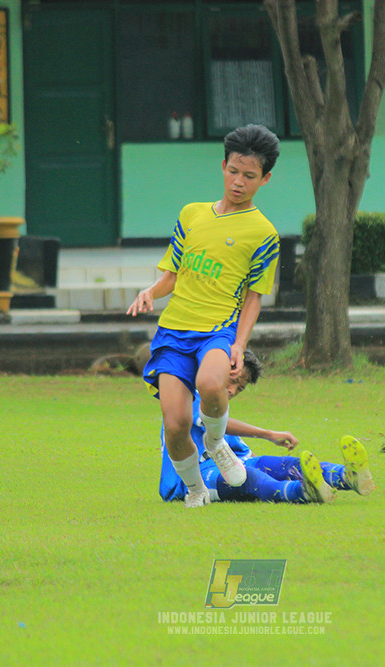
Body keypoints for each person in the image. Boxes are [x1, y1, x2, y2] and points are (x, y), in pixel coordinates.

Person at [127, 124, 281, 508]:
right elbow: (171, 277)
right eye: (233, 171)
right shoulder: (191, 215)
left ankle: (216, 442)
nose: (239, 182)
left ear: (265, 179)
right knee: (175, 425)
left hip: (217, 331)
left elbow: (254, 297)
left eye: (249, 176)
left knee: (212, 385)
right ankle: (195, 489)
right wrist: (149, 292)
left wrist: (239, 344)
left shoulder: (264, 234)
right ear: (223, 166)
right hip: (173, 333)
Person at [158, 350, 376, 504]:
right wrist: (268, 434)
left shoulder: (218, 411)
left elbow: (230, 440)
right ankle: (302, 492)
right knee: (250, 478)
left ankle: (347, 477)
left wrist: (254, 455)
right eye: (232, 380)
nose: (233, 390)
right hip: (194, 478)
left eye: (240, 388)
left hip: (235, 462)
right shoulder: (187, 394)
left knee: (285, 465)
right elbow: (214, 424)